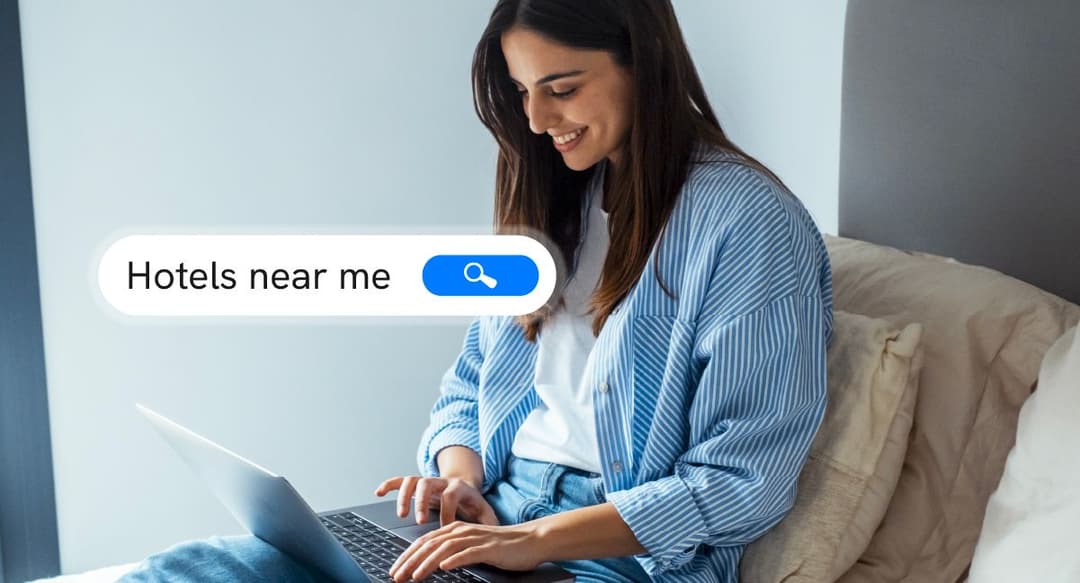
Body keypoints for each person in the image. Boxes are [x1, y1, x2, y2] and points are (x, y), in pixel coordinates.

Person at [120, 0, 832, 581]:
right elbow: (470, 386)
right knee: (191, 570)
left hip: (616, 557)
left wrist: (538, 538)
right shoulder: (556, 202)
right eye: (523, 92)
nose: (536, 121)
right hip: (495, 513)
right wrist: (459, 480)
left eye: (562, 88)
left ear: (643, 62)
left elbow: (743, 481)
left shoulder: (747, 224)